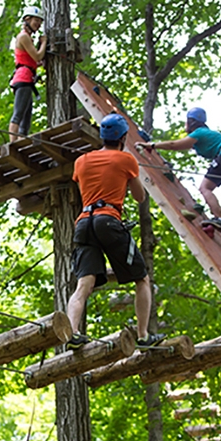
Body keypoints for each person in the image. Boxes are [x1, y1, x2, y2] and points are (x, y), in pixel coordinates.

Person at [66, 114, 165, 350]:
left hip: (83, 223)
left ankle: (72, 332)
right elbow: (140, 197)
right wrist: (132, 174)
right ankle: (143, 336)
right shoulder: (126, 160)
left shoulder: (81, 161)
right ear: (122, 137)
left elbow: (85, 188)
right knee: (141, 278)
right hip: (108, 220)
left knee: (83, 284)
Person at [135, 107, 221, 257]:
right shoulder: (207, 135)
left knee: (205, 188)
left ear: (191, 122)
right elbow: (184, 147)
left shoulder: (199, 133)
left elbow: (174, 145)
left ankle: (219, 219)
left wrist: (152, 145)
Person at [8, 6, 47, 143]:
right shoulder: (23, 37)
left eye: (40, 22)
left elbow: (34, 61)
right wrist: (44, 43)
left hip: (27, 79)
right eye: (36, 20)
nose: (38, 24)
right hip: (23, 78)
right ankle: (13, 143)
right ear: (27, 19)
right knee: (19, 114)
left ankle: (21, 141)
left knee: (26, 116)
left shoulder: (27, 38)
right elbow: (37, 56)